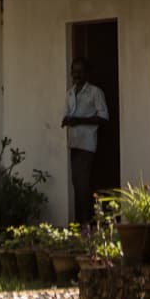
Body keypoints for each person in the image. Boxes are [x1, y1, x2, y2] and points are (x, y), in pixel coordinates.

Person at [63, 57, 110, 226]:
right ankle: (81, 221)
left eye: (80, 71)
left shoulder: (95, 92)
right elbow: (70, 115)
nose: (76, 74)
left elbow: (104, 117)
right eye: (74, 71)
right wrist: (68, 120)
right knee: (77, 183)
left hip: (88, 144)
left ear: (87, 73)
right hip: (74, 143)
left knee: (83, 183)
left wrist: (79, 121)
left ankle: (86, 221)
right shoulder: (70, 93)